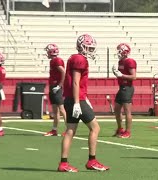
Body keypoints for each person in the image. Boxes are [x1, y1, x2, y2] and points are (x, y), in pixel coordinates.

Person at [57, 34, 109, 172]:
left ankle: (63, 163)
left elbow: (75, 83)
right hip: (76, 99)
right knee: (95, 128)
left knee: (70, 130)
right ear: (81, 46)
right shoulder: (80, 59)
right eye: (88, 47)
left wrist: (83, 99)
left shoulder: (74, 57)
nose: (91, 50)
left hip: (72, 98)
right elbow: (75, 82)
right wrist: (77, 102)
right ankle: (92, 161)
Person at [112, 43, 137, 138]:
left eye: (119, 50)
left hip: (127, 88)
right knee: (117, 109)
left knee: (127, 111)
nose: (118, 52)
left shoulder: (129, 61)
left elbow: (134, 77)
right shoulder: (120, 62)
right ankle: (120, 129)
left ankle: (128, 131)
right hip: (121, 88)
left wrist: (121, 75)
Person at [43, 43, 67, 137]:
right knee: (55, 110)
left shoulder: (57, 60)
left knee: (62, 109)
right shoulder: (53, 61)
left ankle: (69, 129)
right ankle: (54, 130)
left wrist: (59, 85)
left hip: (57, 87)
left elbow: (63, 72)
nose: (47, 53)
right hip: (53, 87)